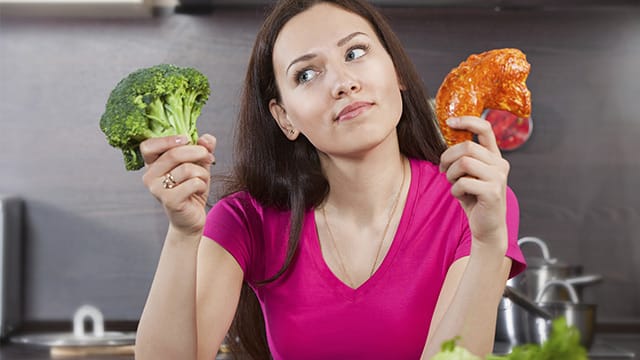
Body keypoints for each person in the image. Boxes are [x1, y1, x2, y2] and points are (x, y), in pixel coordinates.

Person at [134, 0, 526, 359]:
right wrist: (183, 235)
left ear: (397, 72)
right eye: (306, 74)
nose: (343, 83)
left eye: (355, 53)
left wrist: (490, 244)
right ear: (284, 117)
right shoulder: (245, 220)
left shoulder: (475, 202)